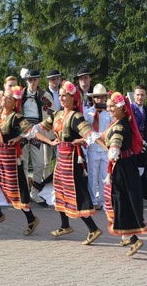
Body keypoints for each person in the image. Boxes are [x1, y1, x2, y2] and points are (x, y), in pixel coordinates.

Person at [39, 80, 103, 245]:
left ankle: (93, 229)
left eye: (64, 96)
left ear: (73, 98)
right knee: (59, 191)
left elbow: (89, 134)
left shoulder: (76, 116)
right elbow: (38, 128)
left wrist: (104, 146)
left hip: (74, 160)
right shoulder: (57, 115)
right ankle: (65, 225)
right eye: (60, 95)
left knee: (76, 194)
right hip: (62, 158)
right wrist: (48, 141)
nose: (61, 98)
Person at [0, 86, 43, 235]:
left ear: (14, 102)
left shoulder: (16, 117)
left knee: (16, 189)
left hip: (11, 158)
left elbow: (32, 131)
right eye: (4, 96)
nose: (4, 98)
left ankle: (31, 219)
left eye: (9, 97)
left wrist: (19, 137)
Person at [103, 92, 147, 256]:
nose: (109, 108)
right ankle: (126, 234)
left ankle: (134, 239)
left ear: (122, 107)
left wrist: (113, 149)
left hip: (122, 168)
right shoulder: (119, 122)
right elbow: (107, 140)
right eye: (108, 106)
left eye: (112, 106)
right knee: (121, 200)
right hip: (124, 166)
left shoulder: (120, 125)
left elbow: (115, 143)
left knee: (122, 201)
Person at [19, 69, 54, 203]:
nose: (32, 82)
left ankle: (35, 192)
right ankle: (23, 191)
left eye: (34, 79)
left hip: (37, 130)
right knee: (22, 163)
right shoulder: (20, 95)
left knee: (39, 164)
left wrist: (45, 129)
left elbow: (52, 113)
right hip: (22, 130)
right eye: (29, 80)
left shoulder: (44, 95)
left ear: (38, 80)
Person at [84, 83, 111, 210]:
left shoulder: (109, 113)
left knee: (104, 176)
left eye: (102, 97)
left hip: (105, 148)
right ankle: (93, 200)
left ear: (105, 98)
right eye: (97, 97)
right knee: (93, 176)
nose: (100, 100)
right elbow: (86, 130)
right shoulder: (88, 113)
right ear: (93, 99)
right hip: (93, 147)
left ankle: (103, 200)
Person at [131, 85, 147, 175]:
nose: (140, 97)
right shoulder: (128, 110)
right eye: (138, 95)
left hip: (144, 147)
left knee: (142, 173)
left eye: (142, 95)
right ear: (134, 96)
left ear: (146, 96)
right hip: (131, 147)